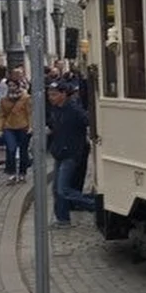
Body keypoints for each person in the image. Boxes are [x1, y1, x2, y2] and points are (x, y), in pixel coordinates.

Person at [47, 80, 97, 226]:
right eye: (50, 94)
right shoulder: (55, 109)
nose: (51, 97)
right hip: (59, 153)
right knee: (57, 189)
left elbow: (88, 121)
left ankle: (94, 205)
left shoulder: (74, 110)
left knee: (63, 189)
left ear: (63, 94)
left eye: (54, 94)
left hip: (71, 154)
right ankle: (63, 219)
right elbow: (54, 126)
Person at [0, 79, 32, 183]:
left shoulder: (26, 98)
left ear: (18, 86)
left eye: (13, 85)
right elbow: (1, 115)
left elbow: (29, 113)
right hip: (9, 127)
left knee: (23, 150)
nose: (11, 87)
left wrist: (31, 126)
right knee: (11, 148)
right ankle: (11, 173)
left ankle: (22, 173)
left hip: (23, 127)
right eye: (9, 86)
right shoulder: (4, 100)